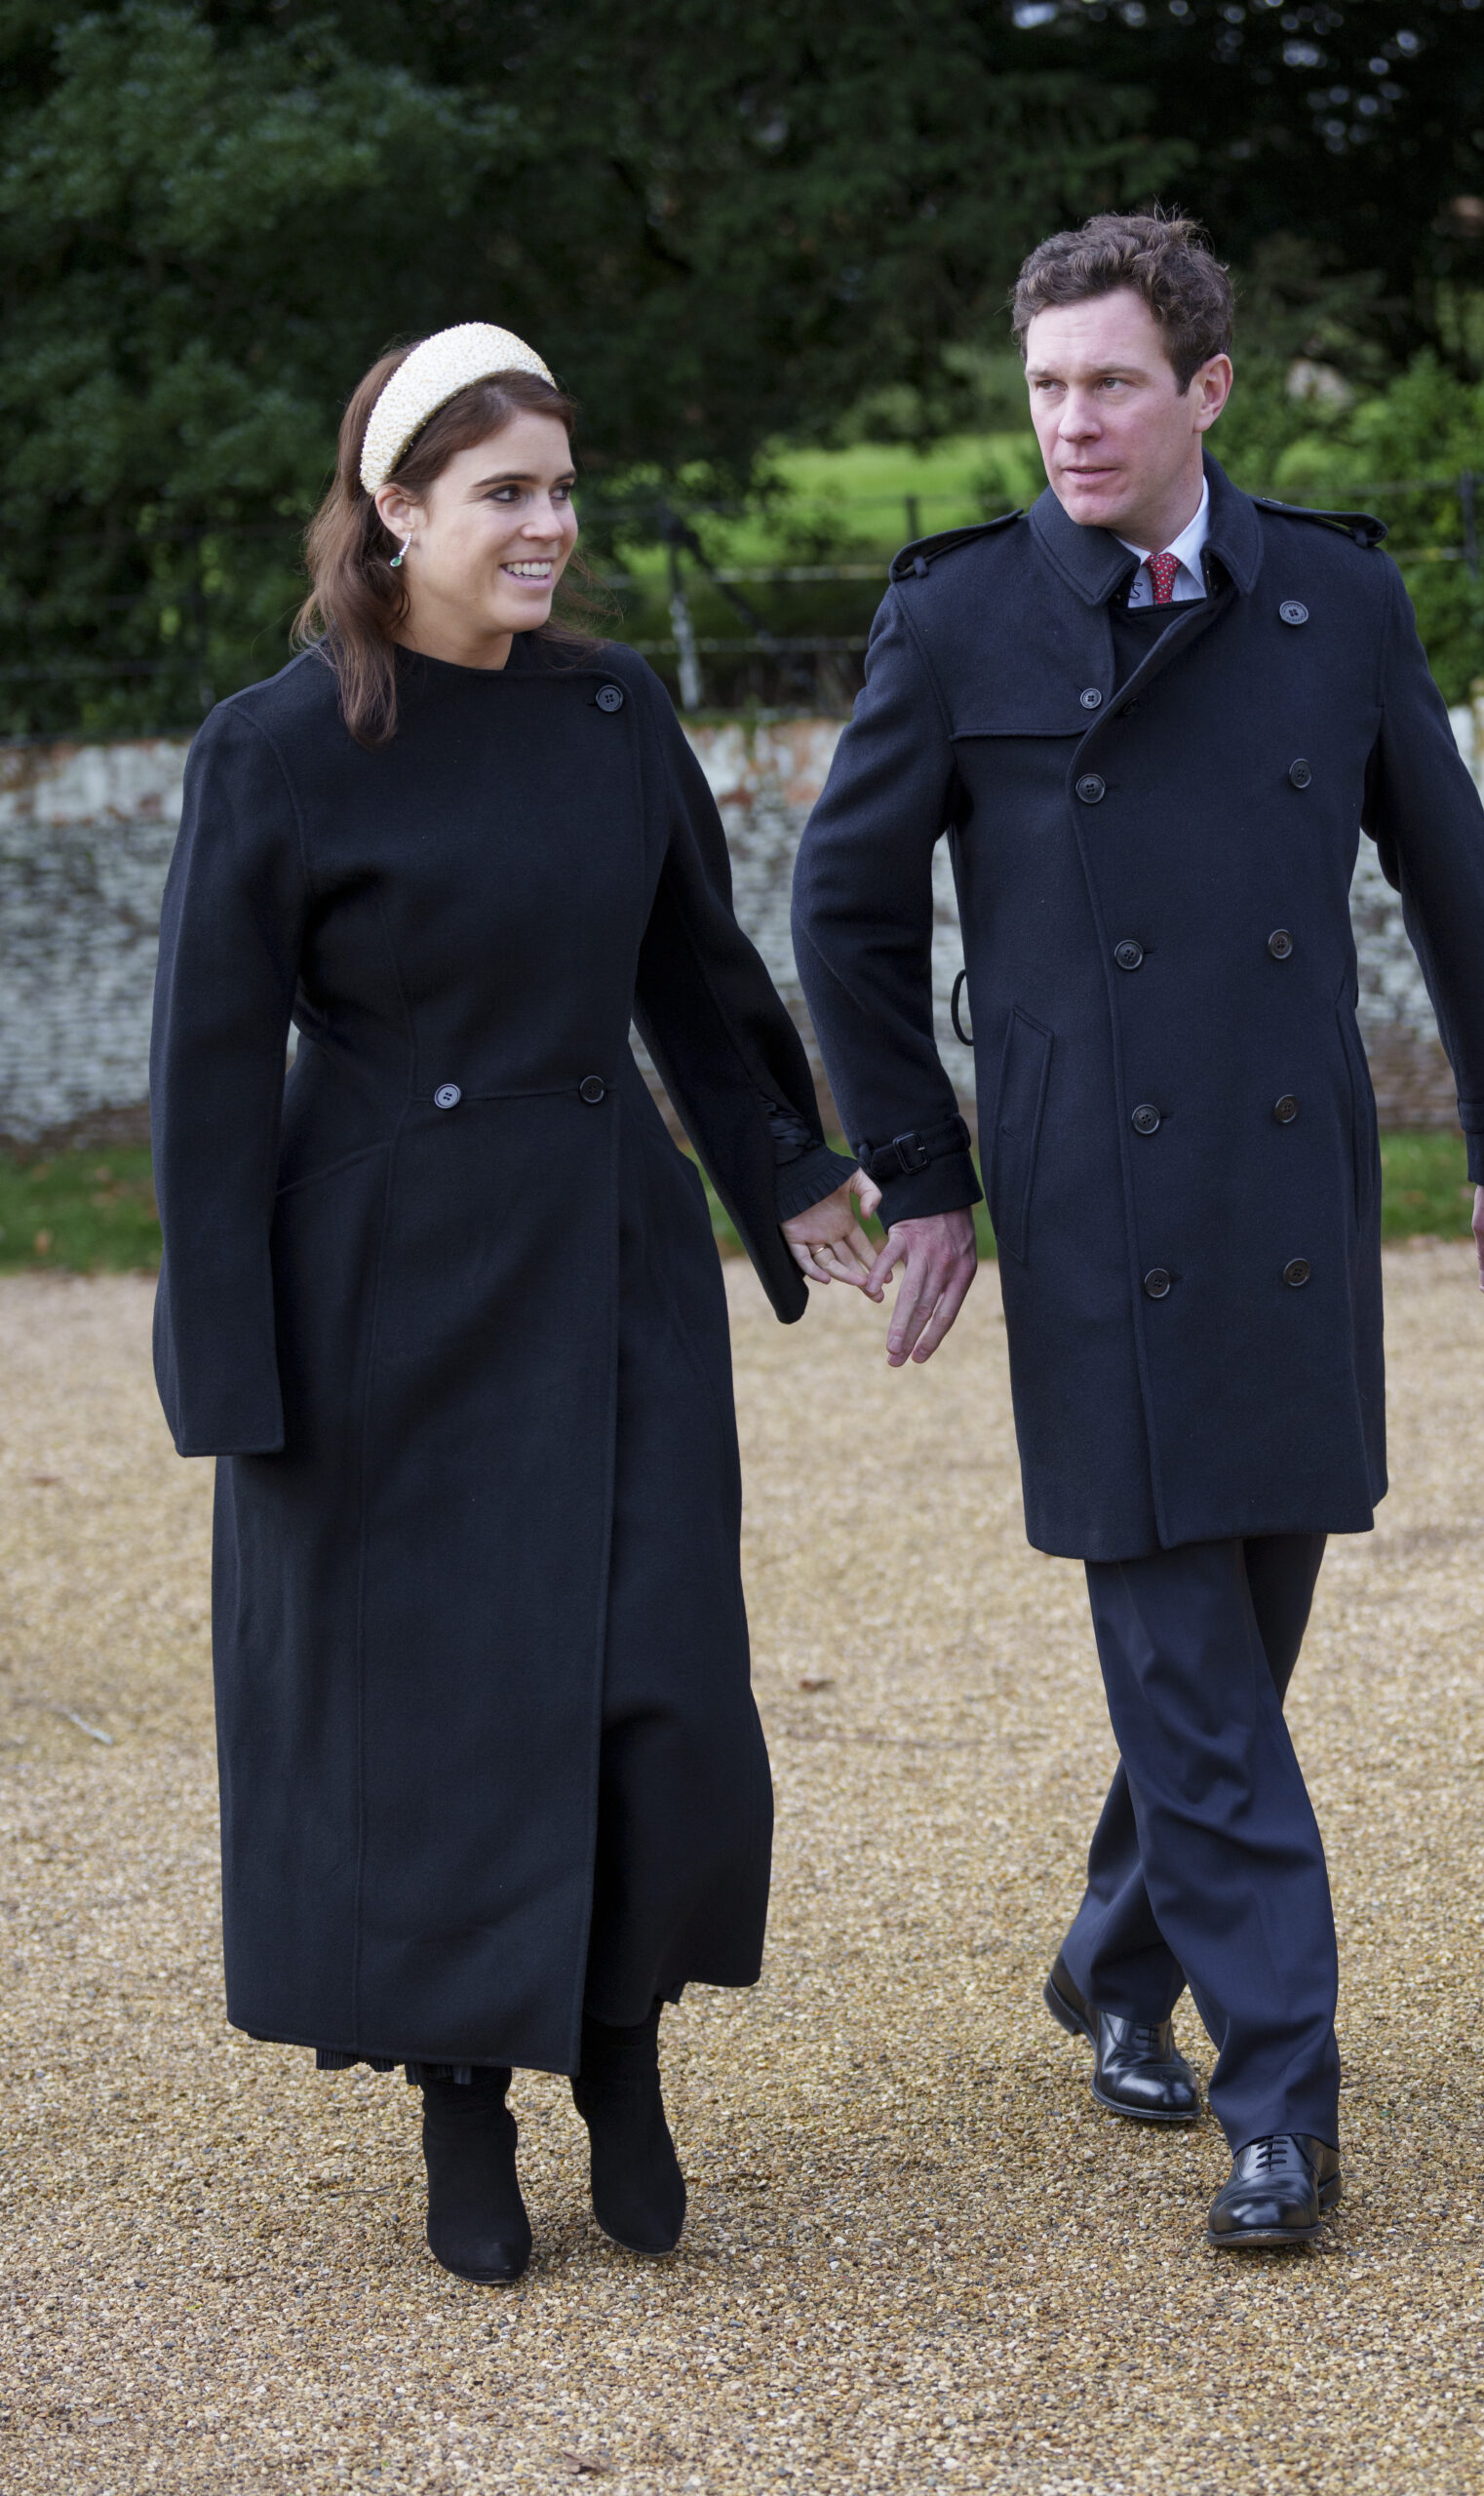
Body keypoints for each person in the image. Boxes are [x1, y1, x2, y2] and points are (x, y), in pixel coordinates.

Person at [791, 215, 1484, 2249]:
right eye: (1043, 385)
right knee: (1189, 1657)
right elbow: (841, 914)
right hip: (1083, 1206)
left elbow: (1454, 879)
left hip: (1290, 1184)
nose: (1068, 421)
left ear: (1203, 388)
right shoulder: (958, 622)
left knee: (1248, 1623)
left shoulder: (1330, 593)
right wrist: (924, 1166)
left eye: (1108, 382)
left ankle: (1107, 1956)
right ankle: (1279, 2093)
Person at [150, 323, 879, 2286]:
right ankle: (460, 2097)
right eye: (506, 493)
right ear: (396, 512)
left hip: (606, 1252)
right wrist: (227, 1362)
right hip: (379, 1289)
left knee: (657, 1685)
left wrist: (791, 1170)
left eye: (561, 487)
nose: (549, 524)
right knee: (437, 1715)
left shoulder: (612, 711)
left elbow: (694, 976)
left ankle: (617, 2052)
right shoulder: (276, 745)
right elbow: (210, 1075)